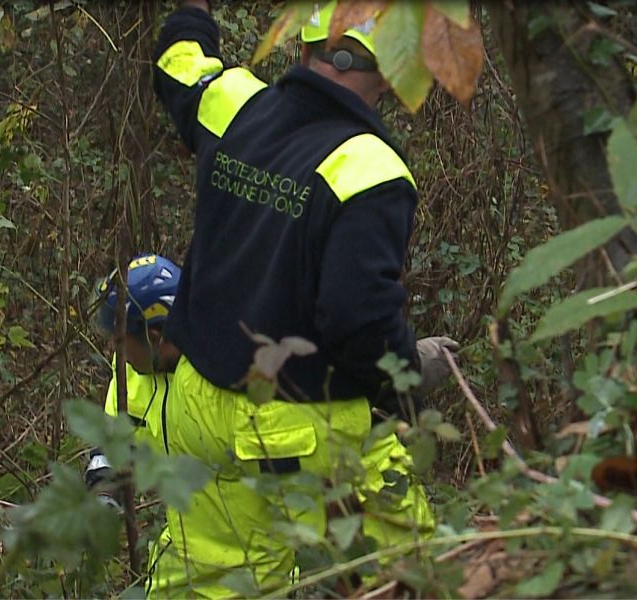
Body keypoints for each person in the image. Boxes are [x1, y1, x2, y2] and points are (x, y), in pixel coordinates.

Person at [146, 0, 459, 596]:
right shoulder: (370, 169)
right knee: (409, 571)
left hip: (196, 405)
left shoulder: (233, 104)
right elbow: (356, 317)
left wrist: (192, 11)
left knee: (207, 576)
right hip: (300, 430)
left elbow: (178, 64)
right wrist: (410, 375)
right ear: (394, 63)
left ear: (304, 42)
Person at [84, 254, 182, 508]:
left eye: (122, 342)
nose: (119, 356)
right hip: (182, 528)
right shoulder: (131, 374)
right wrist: (102, 495)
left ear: (154, 336)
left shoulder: (217, 377)